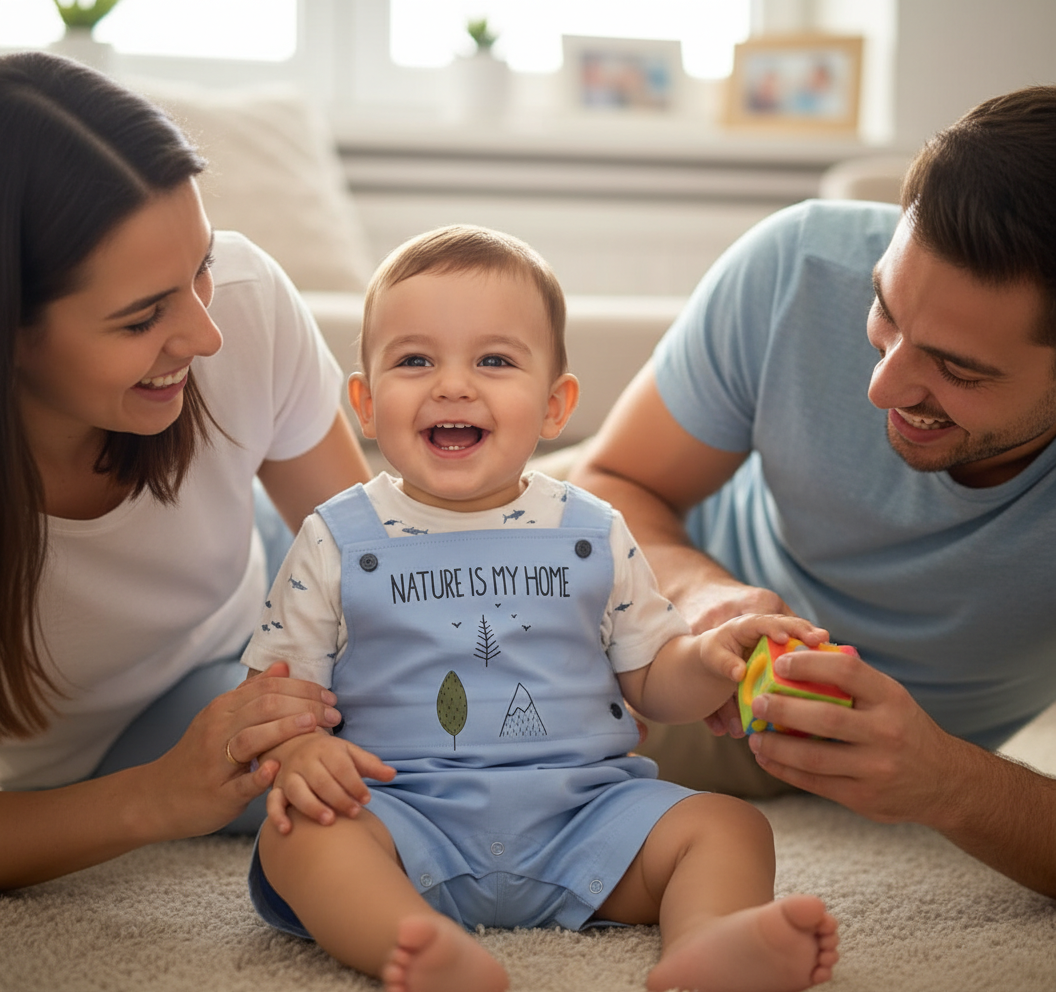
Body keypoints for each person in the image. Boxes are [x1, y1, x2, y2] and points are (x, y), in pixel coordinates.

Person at [240, 225, 840, 992]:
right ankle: (413, 941)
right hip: (402, 817)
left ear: (556, 405)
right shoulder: (336, 537)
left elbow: (655, 678)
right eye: (415, 359)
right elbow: (273, 695)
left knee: (727, 827)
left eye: (494, 360)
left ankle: (708, 945)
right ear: (363, 401)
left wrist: (714, 657)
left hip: (584, 820)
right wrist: (299, 754)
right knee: (301, 840)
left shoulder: (593, 531)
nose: (453, 386)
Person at [570, 85, 1056, 898]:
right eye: (884, 310)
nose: (882, 385)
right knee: (358, 546)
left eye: (959, 369)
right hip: (640, 572)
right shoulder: (798, 264)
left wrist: (952, 783)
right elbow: (617, 480)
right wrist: (704, 595)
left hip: (705, 721)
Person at [0, 51, 372, 892]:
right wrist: (156, 801)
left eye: (199, 266)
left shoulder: (238, 302)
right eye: (141, 318)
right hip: (43, 771)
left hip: (235, 630)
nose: (207, 336)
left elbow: (373, 559)